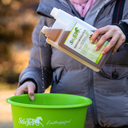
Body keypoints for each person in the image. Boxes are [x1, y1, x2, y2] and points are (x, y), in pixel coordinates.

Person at [14, 0, 128, 128]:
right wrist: (30, 81)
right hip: (67, 119)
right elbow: (39, 67)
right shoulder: (50, 12)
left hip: (121, 118)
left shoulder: (123, 5)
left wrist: (125, 29)